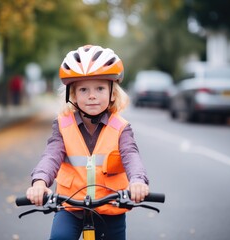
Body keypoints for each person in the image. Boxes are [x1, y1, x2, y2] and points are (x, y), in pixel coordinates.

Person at [26, 45, 149, 240]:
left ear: (112, 93)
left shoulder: (121, 127)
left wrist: (138, 182)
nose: (92, 95)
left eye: (100, 88)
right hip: (71, 207)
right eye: (83, 89)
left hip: (111, 207)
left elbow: (131, 155)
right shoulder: (63, 126)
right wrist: (39, 182)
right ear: (72, 95)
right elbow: (51, 155)